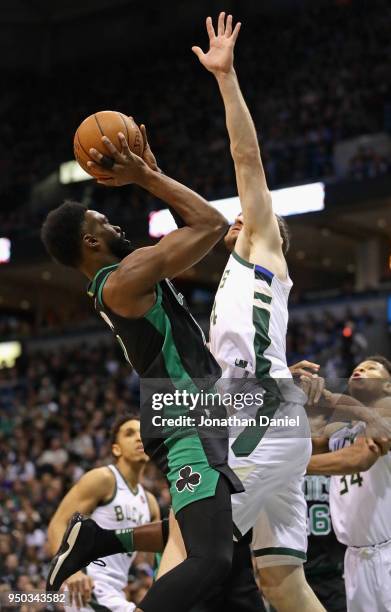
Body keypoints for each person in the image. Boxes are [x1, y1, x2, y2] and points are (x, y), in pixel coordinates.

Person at [158, 13, 324, 612]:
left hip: (265, 420)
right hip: (265, 420)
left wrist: (226, 78)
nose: (242, 216)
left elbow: (246, 159)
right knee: (283, 582)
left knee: (190, 536)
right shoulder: (235, 272)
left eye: (255, 217)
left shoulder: (263, 250)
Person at [41, 124, 243, 612]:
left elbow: (203, 227)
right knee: (212, 559)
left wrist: (152, 174)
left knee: (235, 566)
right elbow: (212, 224)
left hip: (197, 413)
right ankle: (97, 542)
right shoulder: (123, 281)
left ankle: (101, 541)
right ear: (91, 243)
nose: (117, 226)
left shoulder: (126, 277)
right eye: (105, 222)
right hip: (188, 420)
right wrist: (147, 177)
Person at [48, 415, 160, 612]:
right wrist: (70, 572)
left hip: (115, 592)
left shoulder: (150, 503)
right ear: (116, 448)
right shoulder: (103, 479)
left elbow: (156, 560)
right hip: (88, 588)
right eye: (129, 433)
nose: (139, 438)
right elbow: (57, 524)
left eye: (143, 433)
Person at [307, 356, 391, 612]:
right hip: (354, 559)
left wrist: (294, 466)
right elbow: (303, 446)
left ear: (388, 385)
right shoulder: (341, 429)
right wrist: (308, 398)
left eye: (370, 369)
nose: (360, 370)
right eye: (356, 368)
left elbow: (360, 458)